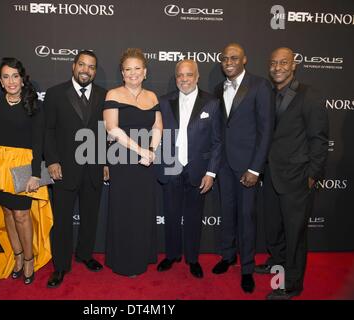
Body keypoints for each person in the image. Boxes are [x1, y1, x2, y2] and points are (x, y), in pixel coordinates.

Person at [255, 47, 329, 300]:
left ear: (294, 65)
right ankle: (277, 262)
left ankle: (293, 284)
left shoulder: (309, 96)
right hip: (271, 174)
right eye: (274, 63)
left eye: (283, 62)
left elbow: (319, 140)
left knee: (295, 232)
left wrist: (313, 175)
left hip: (297, 177)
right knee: (274, 227)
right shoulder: (267, 94)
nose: (278, 67)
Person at [0, 57, 53, 285]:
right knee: (8, 214)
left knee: (22, 215)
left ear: (22, 79)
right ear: (1, 82)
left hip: (25, 165)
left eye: (15, 76)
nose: (11, 81)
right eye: (5, 76)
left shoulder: (33, 105)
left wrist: (35, 174)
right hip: (0, 166)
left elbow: (39, 143)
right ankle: (18, 257)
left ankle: (30, 259)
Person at [212, 43, 274, 293]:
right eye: (225, 57)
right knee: (227, 212)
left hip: (247, 166)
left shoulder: (260, 85)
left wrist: (256, 168)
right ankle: (228, 256)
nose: (229, 61)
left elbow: (266, 129)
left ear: (244, 60)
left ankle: (247, 267)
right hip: (224, 165)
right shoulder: (218, 88)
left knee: (246, 217)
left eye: (234, 58)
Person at [44, 50, 108, 288]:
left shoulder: (103, 95)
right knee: (61, 221)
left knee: (90, 217)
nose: (86, 70)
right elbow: (48, 130)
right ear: (73, 66)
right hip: (63, 170)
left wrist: (105, 162)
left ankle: (84, 254)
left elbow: (105, 133)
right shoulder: (54, 94)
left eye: (91, 66)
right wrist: (51, 160)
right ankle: (60, 266)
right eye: (82, 64)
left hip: (93, 168)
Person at [157, 59, 222, 278]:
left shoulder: (212, 103)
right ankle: (172, 254)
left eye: (189, 75)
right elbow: (157, 135)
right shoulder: (164, 101)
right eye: (180, 75)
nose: (184, 79)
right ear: (176, 78)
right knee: (171, 214)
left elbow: (217, 142)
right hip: (171, 166)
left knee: (194, 217)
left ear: (197, 77)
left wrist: (211, 173)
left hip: (198, 170)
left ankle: (192, 258)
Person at [103, 48, 163, 277]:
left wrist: (151, 151)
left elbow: (158, 127)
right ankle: (123, 261)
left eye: (137, 68)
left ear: (145, 72)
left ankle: (141, 256)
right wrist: (140, 150)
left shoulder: (152, 96)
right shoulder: (113, 94)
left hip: (145, 162)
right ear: (122, 73)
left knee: (142, 210)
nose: (133, 73)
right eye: (128, 69)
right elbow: (112, 128)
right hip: (123, 160)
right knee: (124, 209)